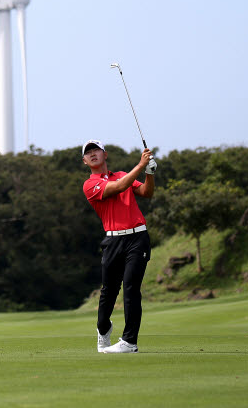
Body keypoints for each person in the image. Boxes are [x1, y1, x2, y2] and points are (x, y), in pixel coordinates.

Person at [81, 139, 157, 353]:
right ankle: (103, 328)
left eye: (97, 150)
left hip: (138, 238)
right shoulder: (90, 184)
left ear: (105, 155)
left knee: (131, 287)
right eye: (88, 153)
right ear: (85, 161)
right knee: (109, 291)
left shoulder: (123, 174)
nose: (93, 154)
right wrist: (141, 166)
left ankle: (129, 342)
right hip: (113, 240)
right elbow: (118, 188)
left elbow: (146, 192)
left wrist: (149, 173)